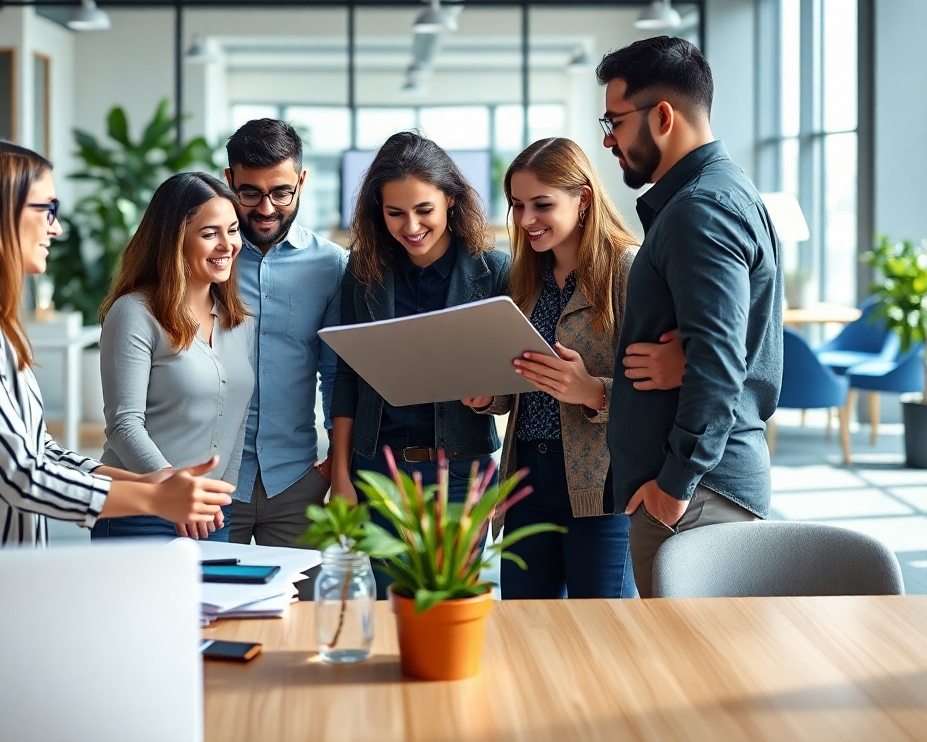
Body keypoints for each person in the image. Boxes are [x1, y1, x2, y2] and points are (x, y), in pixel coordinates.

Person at [0, 137, 233, 550]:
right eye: (47, 210)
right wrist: (153, 498)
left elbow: (38, 450)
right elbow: (19, 472)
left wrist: (150, 480)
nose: (55, 227)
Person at [596, 36, 783, 598]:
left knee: (692, 673)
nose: (608, 139)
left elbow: (722, 363)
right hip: (699, 490)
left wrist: (673, 486)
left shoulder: (700, 210)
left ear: (662, 115)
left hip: (695, 494)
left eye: (615, 121)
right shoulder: (721, 194)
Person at [464, 137, 684, 598]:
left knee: (603, 636)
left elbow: (665, 388)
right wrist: (491, 397)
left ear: (583, 198)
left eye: (542, 205)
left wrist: (594, 392)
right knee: (528, 632)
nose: (526, 221)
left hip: (602, 487)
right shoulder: (525, 277)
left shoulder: (628, 269)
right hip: (524, 479)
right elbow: (521, 378)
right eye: (517, 205)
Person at [329, 131, 509, 597]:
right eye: (395, 213)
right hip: (380, 470)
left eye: (424, 210)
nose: (410, 226)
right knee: (396, 605)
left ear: (450, 199)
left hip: (463, 470)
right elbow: (346, 376)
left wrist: (491, 397)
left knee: (454, 607)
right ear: (378, 211)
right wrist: (342, 475)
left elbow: (518, 376)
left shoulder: (495, 270)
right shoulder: (364, 272)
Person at [92, 172, 254, 541]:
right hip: (142, 510)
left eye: (232, 230)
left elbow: (238, 418)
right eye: (209, 233)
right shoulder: (134, 313)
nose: (227, 244)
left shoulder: (238, 320)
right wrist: (173, 494)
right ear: (174, 241)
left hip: (212, 516)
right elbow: (123, 425)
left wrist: (216, 501)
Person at [223, 119, 347, 549]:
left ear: (301, 181)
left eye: (281, 192)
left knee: (306, 616)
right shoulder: (206, 259)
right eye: (250, 193)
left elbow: (335, 376)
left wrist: (335, 467)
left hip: (297, 481)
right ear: (229, 181)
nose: (266, 209)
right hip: (214, 482)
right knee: (212, 612)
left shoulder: (332, 266)